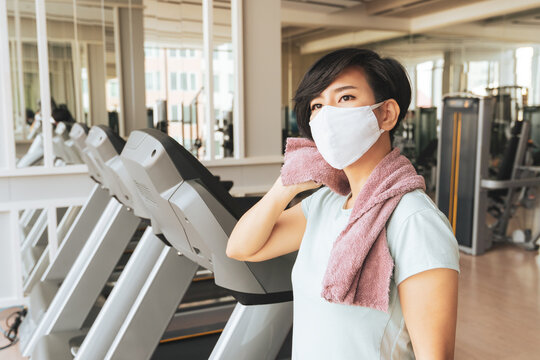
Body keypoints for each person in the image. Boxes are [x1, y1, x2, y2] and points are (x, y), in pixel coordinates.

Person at [226, 48, 459, 360]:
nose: (327, 116)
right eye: (317, 105)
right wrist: (286, 184)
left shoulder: (414, 220)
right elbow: (241, 249)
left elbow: (435, 356)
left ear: (386, 114)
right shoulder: (326, 202)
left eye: (345, 98)